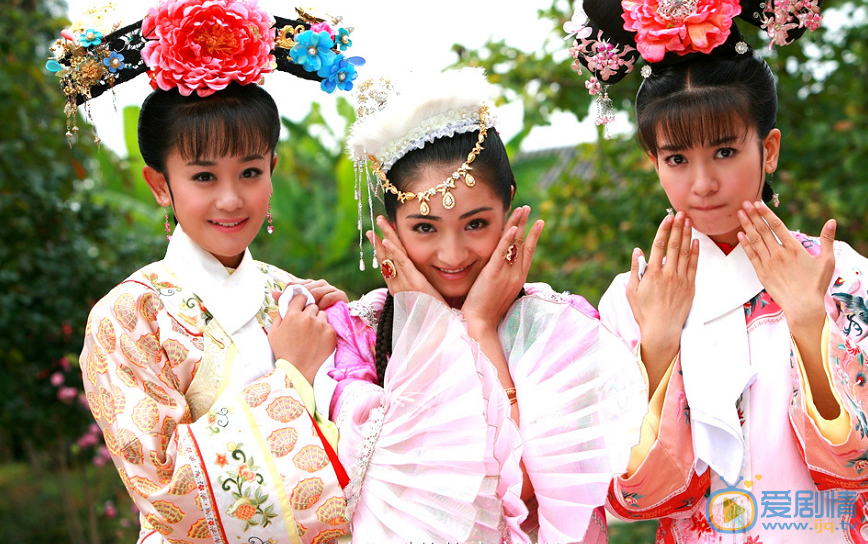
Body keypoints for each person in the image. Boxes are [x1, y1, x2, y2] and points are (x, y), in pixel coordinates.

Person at [55, 1, 362, 541]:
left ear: (273, 171)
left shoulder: (291, 297)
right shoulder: (129, 317)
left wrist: (350, 341)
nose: (230, 198)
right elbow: (169, 491)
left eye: (250, 171)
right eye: (202, 176)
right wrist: (290, 376)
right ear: (159, 185)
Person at [567, 0, 868, 542]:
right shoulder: (633, 298)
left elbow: (858, 466)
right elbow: (632, 495)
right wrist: (656, 345)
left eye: (725, 151)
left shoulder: (839, 275)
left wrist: (808, 321)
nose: (702, 183)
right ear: (653, 162)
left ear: (768, 149)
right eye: (677, 159)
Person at [314, 68, 647, 543]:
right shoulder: (356, 334)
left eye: (475, 224)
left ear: (508, 206)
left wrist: (480, 327)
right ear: (391, 226)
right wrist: (430, 328)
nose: (452, 256)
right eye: (425, 229)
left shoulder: (562, 327)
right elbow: (383, 497)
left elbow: (520, 491)